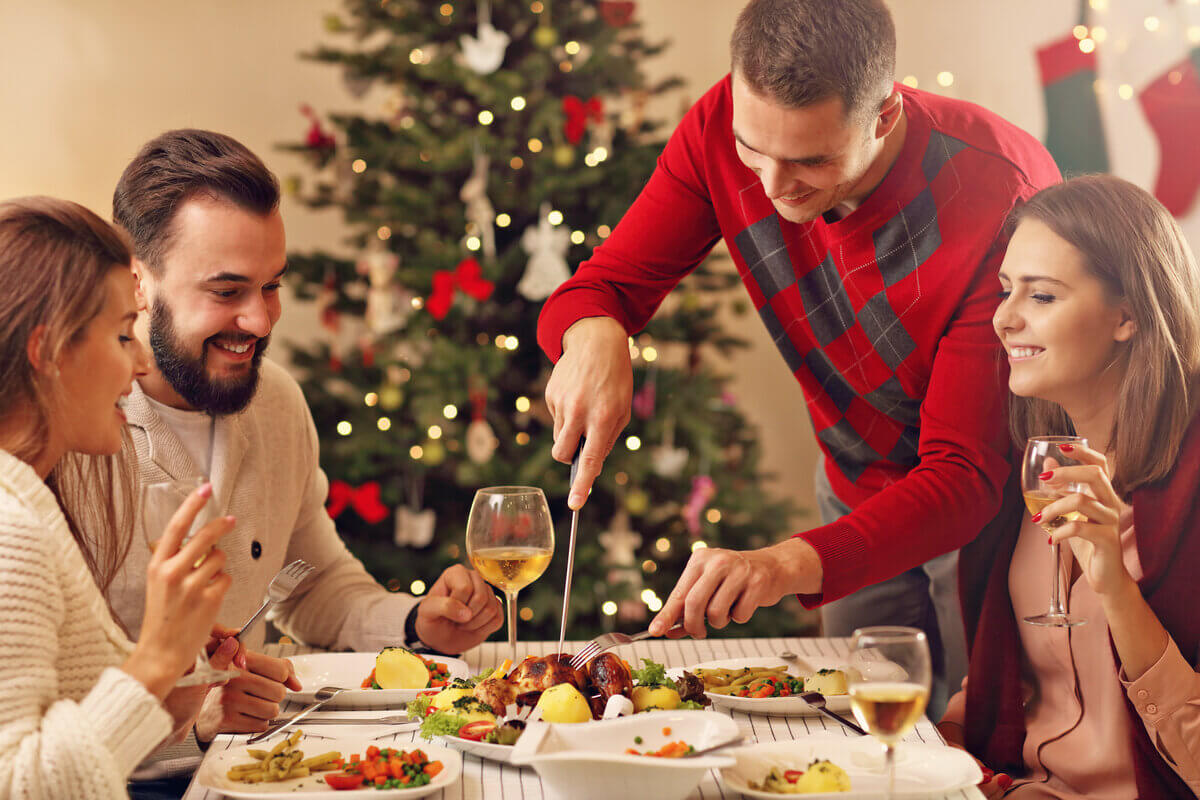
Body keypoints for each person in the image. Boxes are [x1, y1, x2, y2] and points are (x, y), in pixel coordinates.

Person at [536, 0, 1059, 714]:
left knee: (985, 747)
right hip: (851, 482)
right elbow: (604, 285)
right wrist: (596, 330)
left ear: (883, 115)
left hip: (992, 509)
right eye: (755, 150)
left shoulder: (1000, 200)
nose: (772, 186)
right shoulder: (724, 126)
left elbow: (964, 475)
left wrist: (786, 563)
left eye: (811, 160)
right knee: (858, 731)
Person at [100, 129, 503, 776]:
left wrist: (419, 626)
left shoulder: (276, 402)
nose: (261, 322)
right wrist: (189, 722)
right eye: (227, 292)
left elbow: (313, 584)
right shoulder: (77, 427)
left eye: (271, 286)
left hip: (251, 771)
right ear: (138, 282)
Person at [940, 175, 1200, 799]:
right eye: (1007, 290)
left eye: (1044, 296)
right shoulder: (1029, 470)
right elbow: (1009, 683)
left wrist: (1114, 585)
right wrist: (935, 751)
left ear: (1127, 315)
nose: (1005, 318)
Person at [0, 197, 240, 798]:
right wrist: (153, 659)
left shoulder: (27, 497)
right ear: (48, 353)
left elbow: (68, 726)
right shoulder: (11, 531)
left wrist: (175, 669)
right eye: (121, 335)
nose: (138, 363)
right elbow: (19, 784)